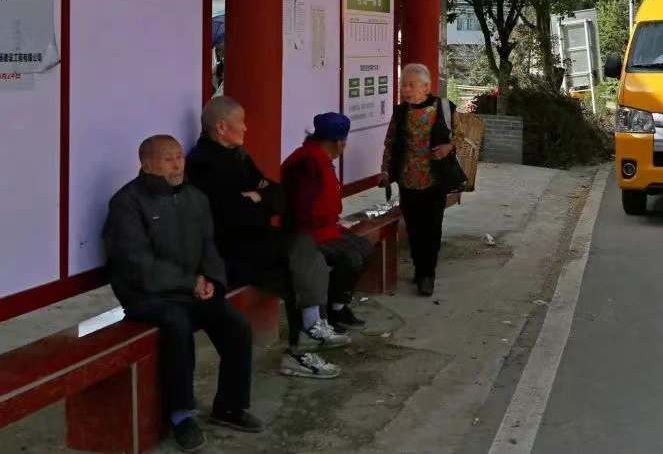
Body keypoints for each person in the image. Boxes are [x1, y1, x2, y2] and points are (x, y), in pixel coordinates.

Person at [102, 135, 264, 453]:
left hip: (191, 289)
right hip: (145, 296)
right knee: (177, 326)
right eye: (168, 159)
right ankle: (180, 416)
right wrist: (190, 282)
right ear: (147, 164)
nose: (177, 165)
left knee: (236, 324)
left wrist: (212, 282)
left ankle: (230, 406)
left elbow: (209, 246)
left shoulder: (195, 197)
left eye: (179, 157)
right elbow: (136, 264)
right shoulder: (127, 203)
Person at [185, 97, 347, 380]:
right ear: (222, 127)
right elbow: (231, 214)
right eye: (241, 122)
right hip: (230, 251)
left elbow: (278, 195)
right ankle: (308, 333)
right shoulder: (204, 163)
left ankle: (301, 346)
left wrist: (257, 197)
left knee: (303, 267)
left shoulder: (239, 155)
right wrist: (258, 200)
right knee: (302, 256)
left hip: (256, 242)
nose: (246, 128)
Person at [281, 112, 372, 331]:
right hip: (304, 232)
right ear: (339, 142)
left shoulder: (319, 158)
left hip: (325, 227)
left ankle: (338, 306)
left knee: (365, 248)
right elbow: (300, 210)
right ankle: (331, 311)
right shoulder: (307, 163)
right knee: (348, 258)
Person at [379, 63, 458, 297]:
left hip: (435, 180)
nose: (406, 89)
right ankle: (419, 268)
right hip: (407, 181)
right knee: (413, 229)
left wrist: (449, 146)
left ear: (426, 86)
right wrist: (385, 172)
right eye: (403, 85)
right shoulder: (400, 113)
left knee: (431, 228)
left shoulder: (445, 108)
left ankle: (427, 275)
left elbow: (465, 136)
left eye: (411, 85)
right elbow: (390, 144)